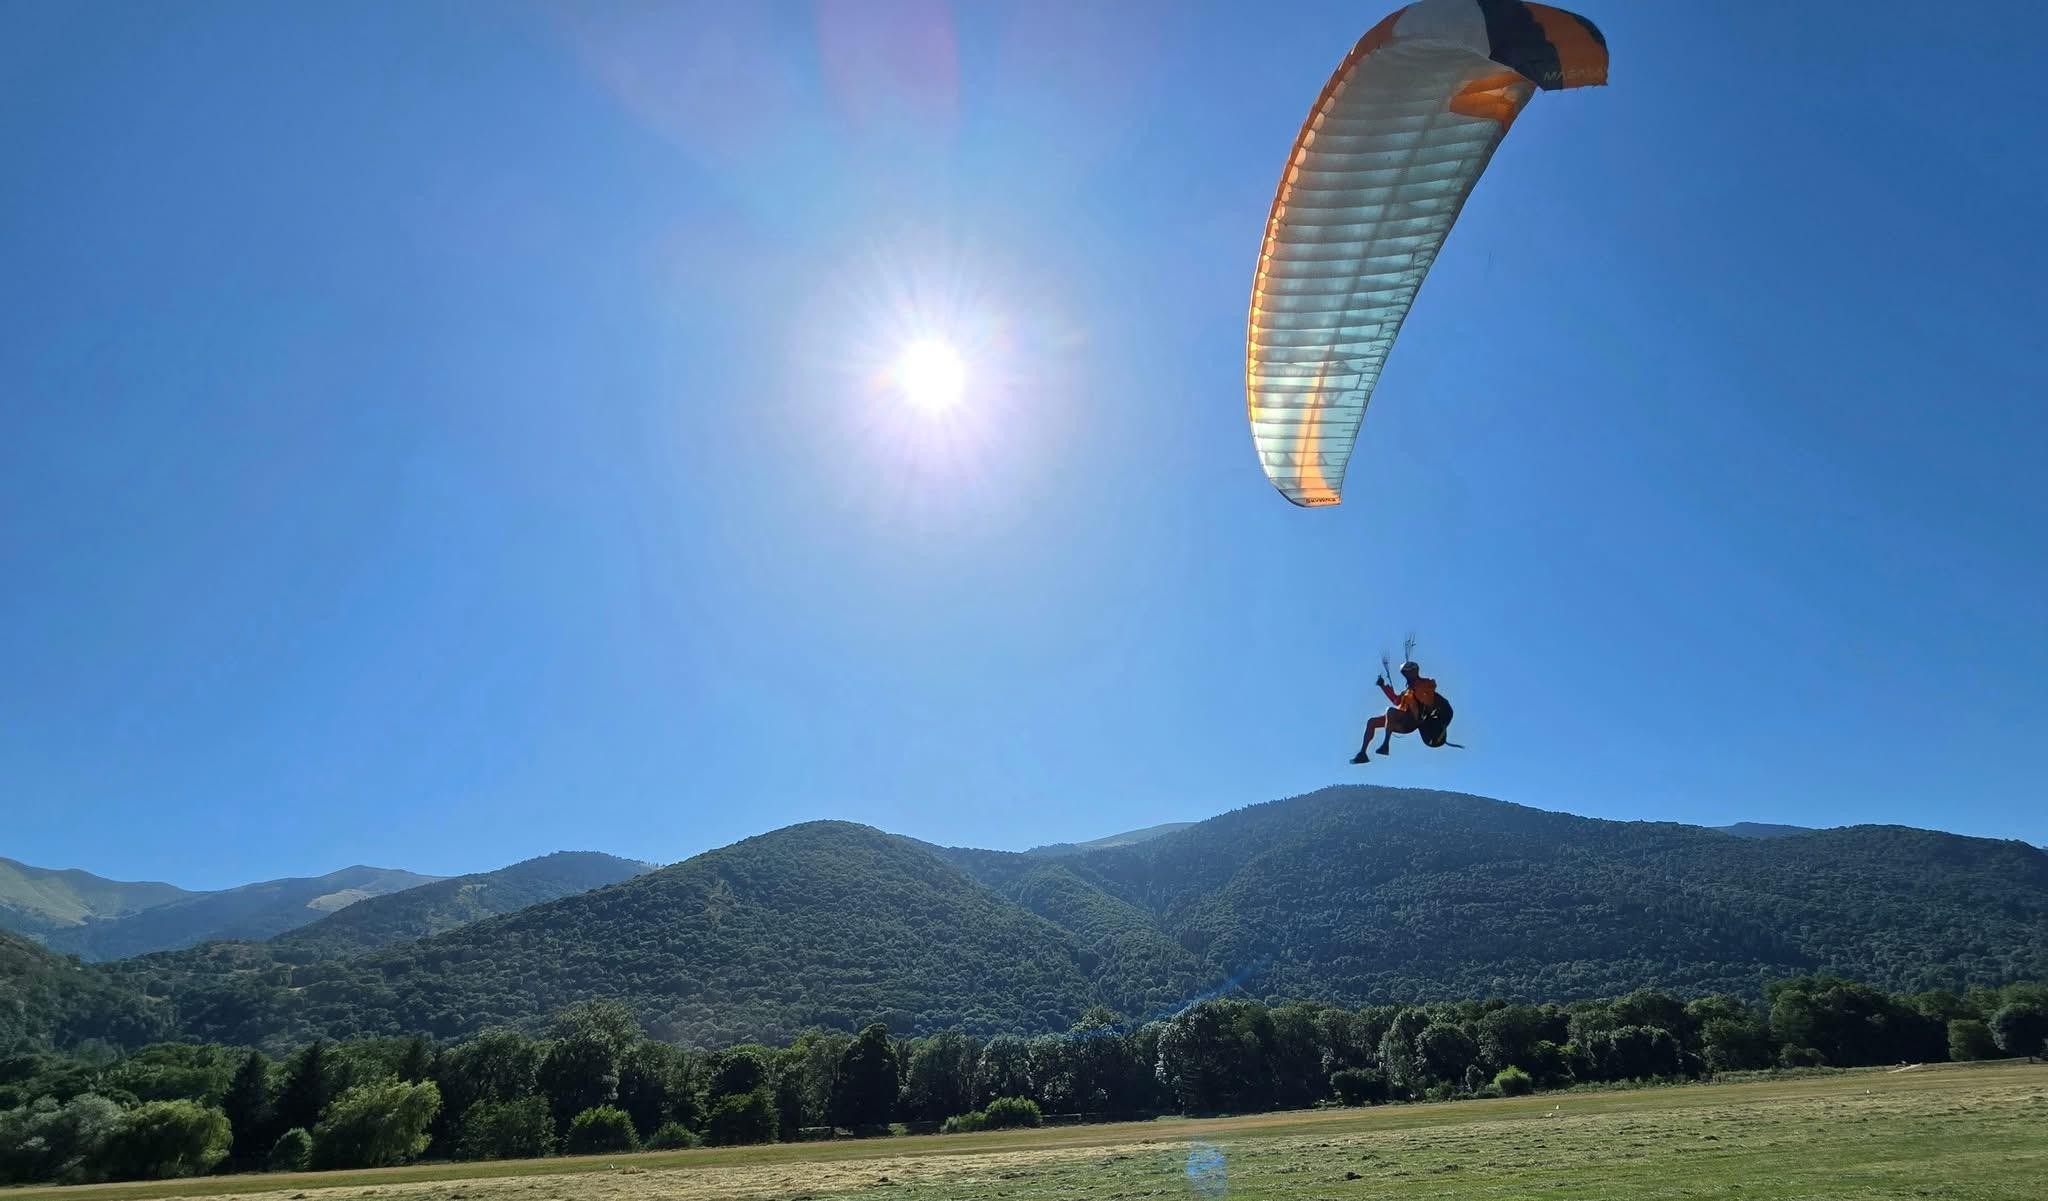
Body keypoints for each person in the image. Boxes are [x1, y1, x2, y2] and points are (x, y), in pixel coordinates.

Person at [1350, 660, 1440, 763]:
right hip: (1401, 719)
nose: (1406, 677)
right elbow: (1396, 701)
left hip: (1411, 721)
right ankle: (1362, 754)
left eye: (1408, 674)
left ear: (1414, 672)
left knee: (1390, 711)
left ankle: (1385, 745)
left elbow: (1431, 688)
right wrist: (1383, 686)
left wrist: (1417, 687)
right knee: (1372, 722)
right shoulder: (1407, 691)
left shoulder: (1424, 683)